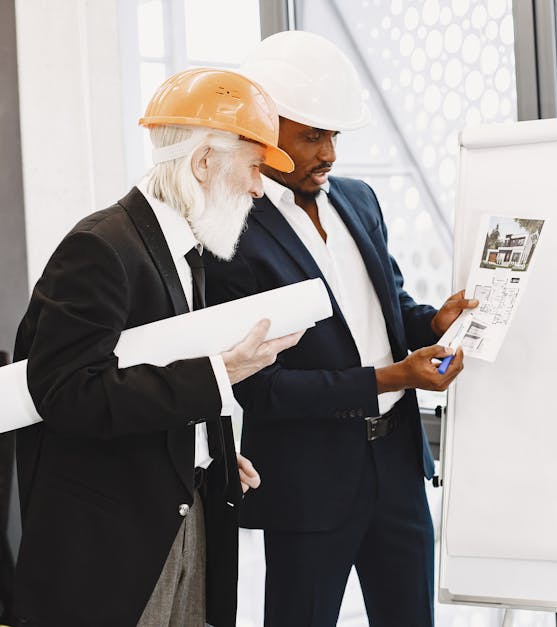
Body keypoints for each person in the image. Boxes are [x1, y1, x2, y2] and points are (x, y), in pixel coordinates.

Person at [204, 31, 477, 626]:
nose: (329, 153)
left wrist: (433, 321)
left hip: (399, 473)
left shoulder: (359, 201)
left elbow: (387, 309)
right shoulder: (230, 236)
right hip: (309, 484)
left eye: (333, 136)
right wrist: (388, 378)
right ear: (263, 131)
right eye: (311, 137)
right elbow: (261, 389)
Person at [12, 68, 302, 627]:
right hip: (115, 546)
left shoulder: (184, 249)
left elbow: (153, 374)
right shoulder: (100, 247)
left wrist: (205, 453)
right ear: (203, 163)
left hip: (183, 515)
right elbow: (68, 392)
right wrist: (221, 373)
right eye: (254, 167)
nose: (259, 188)